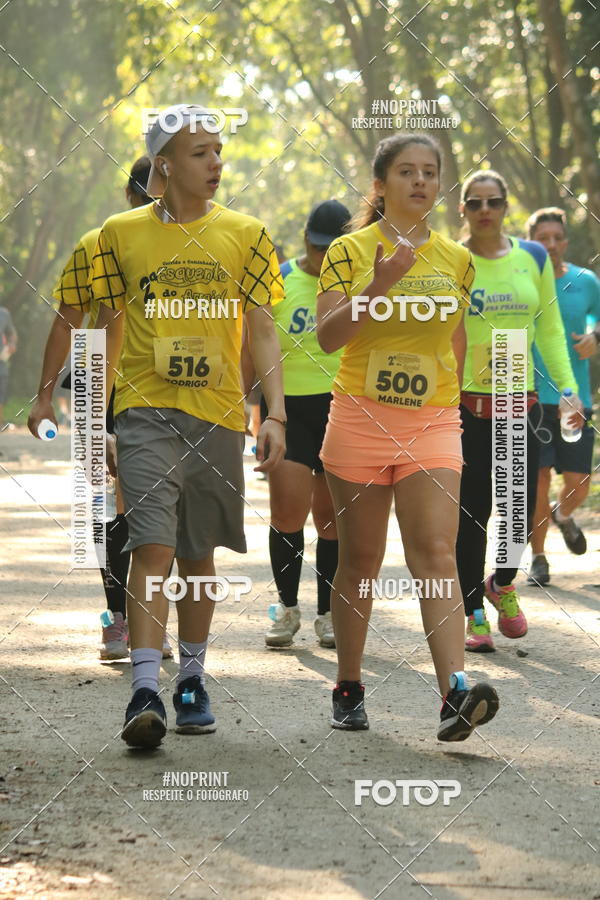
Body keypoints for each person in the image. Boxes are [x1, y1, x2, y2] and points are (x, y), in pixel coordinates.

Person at [93, 104, 286, 750]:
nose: (215, 163)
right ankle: (145, 688)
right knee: (152, 545)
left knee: (198, 553)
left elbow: (262, 327)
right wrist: (99, 421)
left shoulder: (248, 233)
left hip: (218, 416)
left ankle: (192, 679)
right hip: (144, 412)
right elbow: (102, 327)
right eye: (200, 153)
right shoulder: (119, 234)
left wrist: (274, 413)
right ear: (165, 165)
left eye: (218, 151)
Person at [317, 133, 499, 741]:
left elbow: (453, 337)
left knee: (435, 551)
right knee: (361, 560)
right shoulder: (348, 251)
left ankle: (454, 690)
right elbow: (328, 337)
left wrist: (463, 390)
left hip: (433, 420)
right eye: (406, 172)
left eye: (429, 172)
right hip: (361, 418)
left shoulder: (456, 258)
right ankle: (348, 683)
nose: (420, 181)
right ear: (381, 184)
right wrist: (382, 282)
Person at [26, 157, 172, 662]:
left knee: (146, 504)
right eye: (151, 193)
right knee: (104, 504)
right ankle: (118, 620)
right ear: (133, 194)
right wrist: (45, 395)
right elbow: (67, 319)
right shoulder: (97, 244)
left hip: (158, 386)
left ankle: (146, 619)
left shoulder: (191, 245)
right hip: (96, 380)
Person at [456, 173, 581, 653]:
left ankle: (501, 583)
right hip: (466, 406)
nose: (485, 209)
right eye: (475, 202)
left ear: (506, 206)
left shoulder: (531, 257)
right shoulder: (453, 259)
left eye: (494, 201)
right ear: (463, 209)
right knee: (473, 515)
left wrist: (567, 389)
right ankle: (472, 613)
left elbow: (548, 326)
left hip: (517, 401)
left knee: (517, 511)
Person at [261, 200, 351, 649]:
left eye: (333, 250)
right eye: (318, 249)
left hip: (342, 408)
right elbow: (254, 345)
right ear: (305, 242)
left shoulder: (360, 284)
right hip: (289, 408)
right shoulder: (280, 280)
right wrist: (255, 407)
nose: (324, 258)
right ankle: (286, 607)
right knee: (287, 513)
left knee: (332, 521)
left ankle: (328, 614)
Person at [526, 207, 600, 585]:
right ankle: (539, 558)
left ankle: (564, 514)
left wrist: (595, 336)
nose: (551, 245)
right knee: (536, 479)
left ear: (565, 242)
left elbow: (596, 318)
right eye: (543, 239)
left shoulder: (586, 281)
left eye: (557, 238)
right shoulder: (521, 282)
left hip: (576, 398)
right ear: (531, 244)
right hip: (533, 399)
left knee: (579, 481)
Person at [0, 306, 17, 427]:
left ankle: (0, 421)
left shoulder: (4, 313)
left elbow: (12, 333)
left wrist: (12, 344)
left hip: (1, 361)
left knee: (1, 391)